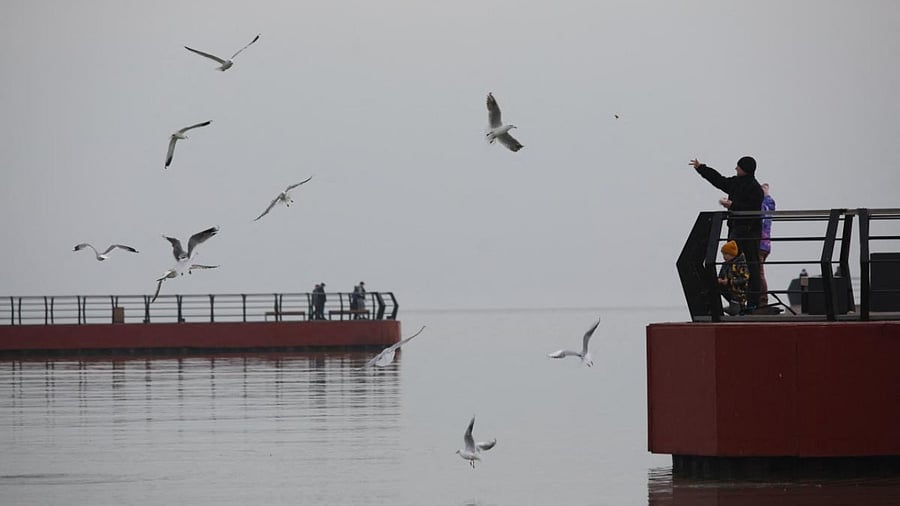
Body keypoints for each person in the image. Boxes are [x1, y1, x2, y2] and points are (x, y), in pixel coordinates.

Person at [690, 156, 764, 309]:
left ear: (745, 169)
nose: (736, 169)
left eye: (738, 167)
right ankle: (735, 301)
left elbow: (753, 209)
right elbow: (719, 180)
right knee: (729, 265)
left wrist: (732, 205)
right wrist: (701, 168)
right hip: (735, 230)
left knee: (752, 267)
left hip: (750, 233)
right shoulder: (736, 183)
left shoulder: (755, 188)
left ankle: (753, 303)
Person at [718, 240, 750, 315]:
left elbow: (745, 278)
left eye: (726, 254)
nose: (724, 257)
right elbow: (721, 275)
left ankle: (738, 306)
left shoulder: (740, 264)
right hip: (729, 288)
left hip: (739, 290)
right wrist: (720, 280)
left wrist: (730, 281)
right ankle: (730, 305)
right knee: (717, 287)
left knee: (739, 296)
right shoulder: (725, 265)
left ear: (732, 254)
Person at [758, 183, 775, 305]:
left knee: (758, 273)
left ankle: (763, 300)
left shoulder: (762, 206)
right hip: (766, 244)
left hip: (759, 244)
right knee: (759, 272)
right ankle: (760, 298)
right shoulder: (769, 205)